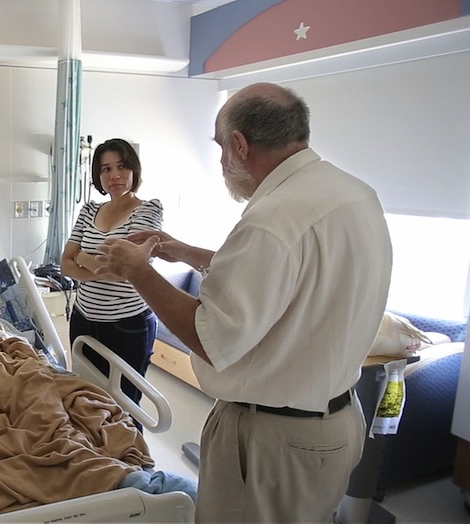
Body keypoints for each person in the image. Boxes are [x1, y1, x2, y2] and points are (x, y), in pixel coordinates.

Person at [94, 83, 393, 522]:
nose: (220, 162)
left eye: (220, 148)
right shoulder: (353, 193)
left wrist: (138, 271)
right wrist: (184, 251)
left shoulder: (272, 218)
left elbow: (211, 337)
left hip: (274, 439)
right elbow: (292, 277)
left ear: (239, 144)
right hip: (333, 423)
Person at [59, 138, 163, 428]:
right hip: (83, 319)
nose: (114, 175)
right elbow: (65, 264)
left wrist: (83, 256)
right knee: (85, 400)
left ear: (133, 170)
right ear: (98, 176)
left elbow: (127, 271)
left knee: (126, 407)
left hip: (126, 325)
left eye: (121, 166)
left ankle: (133, 467)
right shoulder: (90, 211)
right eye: (106, 169)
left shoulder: (148, 211)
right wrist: (96, 264)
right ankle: (96, 462)